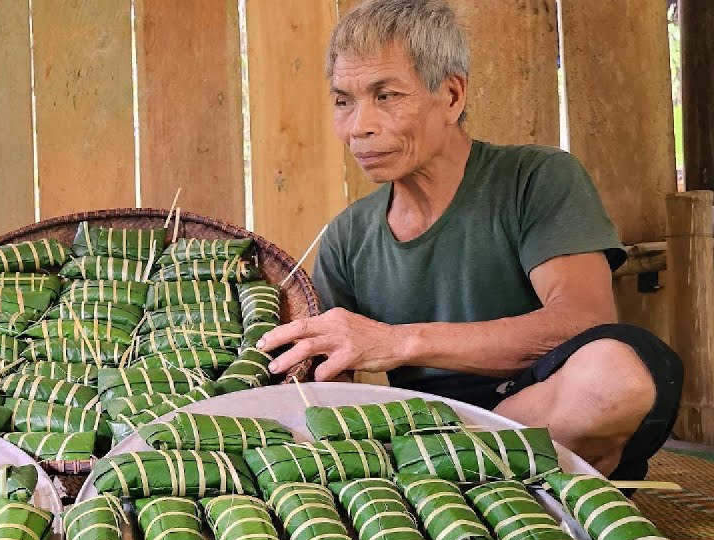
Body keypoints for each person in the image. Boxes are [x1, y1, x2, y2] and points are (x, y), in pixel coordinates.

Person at [258, 0, 682, 480]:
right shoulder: (347, 235)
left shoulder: (535, 177)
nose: (359, 127)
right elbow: (328, 390)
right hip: (426, 429)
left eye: (386, 95)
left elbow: (583, 322)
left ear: (452, 96)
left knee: (614, 378)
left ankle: (459, 464)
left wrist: (400, 342)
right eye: (343, 101)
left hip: (542, 405)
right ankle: (467, 470)